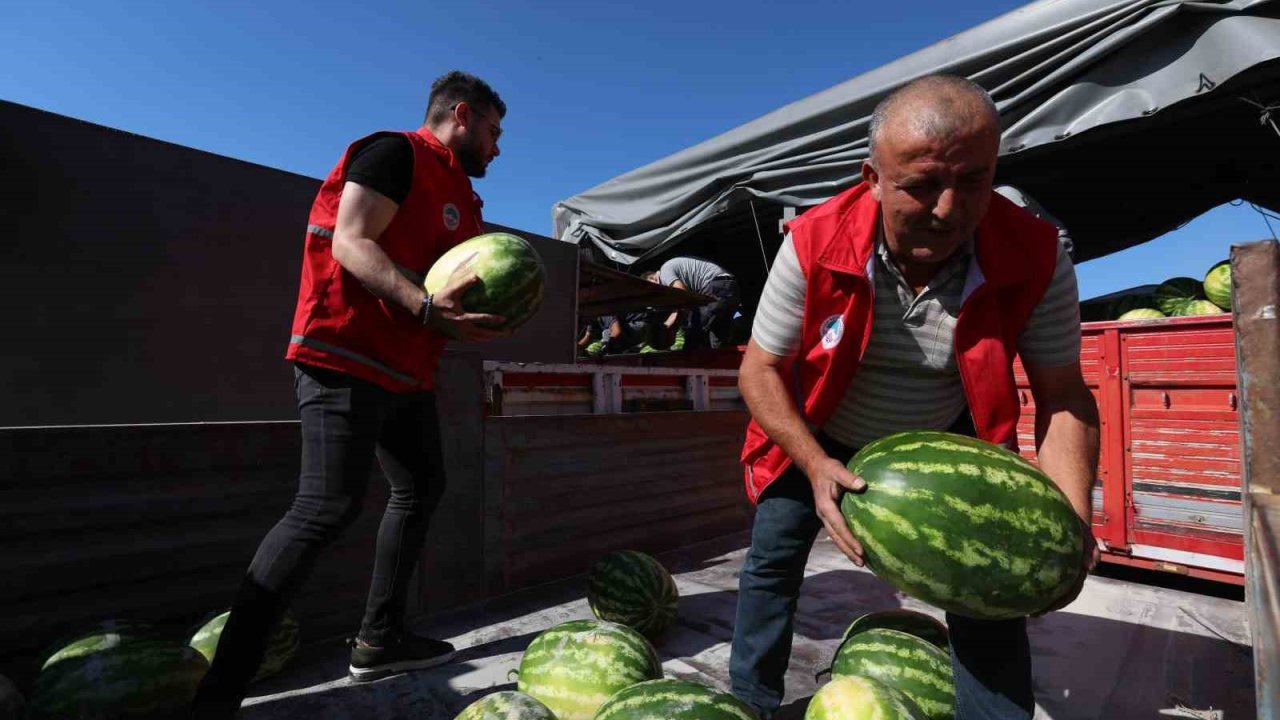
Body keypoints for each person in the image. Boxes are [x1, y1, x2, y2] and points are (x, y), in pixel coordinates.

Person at [730, 75, 1100, 720]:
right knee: (772, 561)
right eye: (921, 185)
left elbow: (1063, 395)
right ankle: (750, 702)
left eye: (973, 181)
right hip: (818, 430)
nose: (949, 208)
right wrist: (815, 465)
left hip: (947, 428)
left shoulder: (1036, 254)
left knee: (985, 586)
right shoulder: (815, 242)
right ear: (871, 176)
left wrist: (1068, 525)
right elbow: (760, 370)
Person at [191, 70, 509, 718]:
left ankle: (378, 639)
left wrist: (466, 316)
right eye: (495, 132)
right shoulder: (396, 153)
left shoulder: (463, 199)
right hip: (344, 353)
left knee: (423, 485)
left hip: (404, 371)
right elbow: (351, 240)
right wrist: (424, 305)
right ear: (462, 113)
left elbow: (455, 286)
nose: (499, 148)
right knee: (324, 507)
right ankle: (218, 695)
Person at [642, 256, 740, 349]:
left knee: (695, 330)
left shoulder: (664, 273)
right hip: (728, 286)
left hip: (717, 286)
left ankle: (687, 360)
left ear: (651, 279)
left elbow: (684, 295)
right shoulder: (671, 270)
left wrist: (672, 326)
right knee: (718, 334)